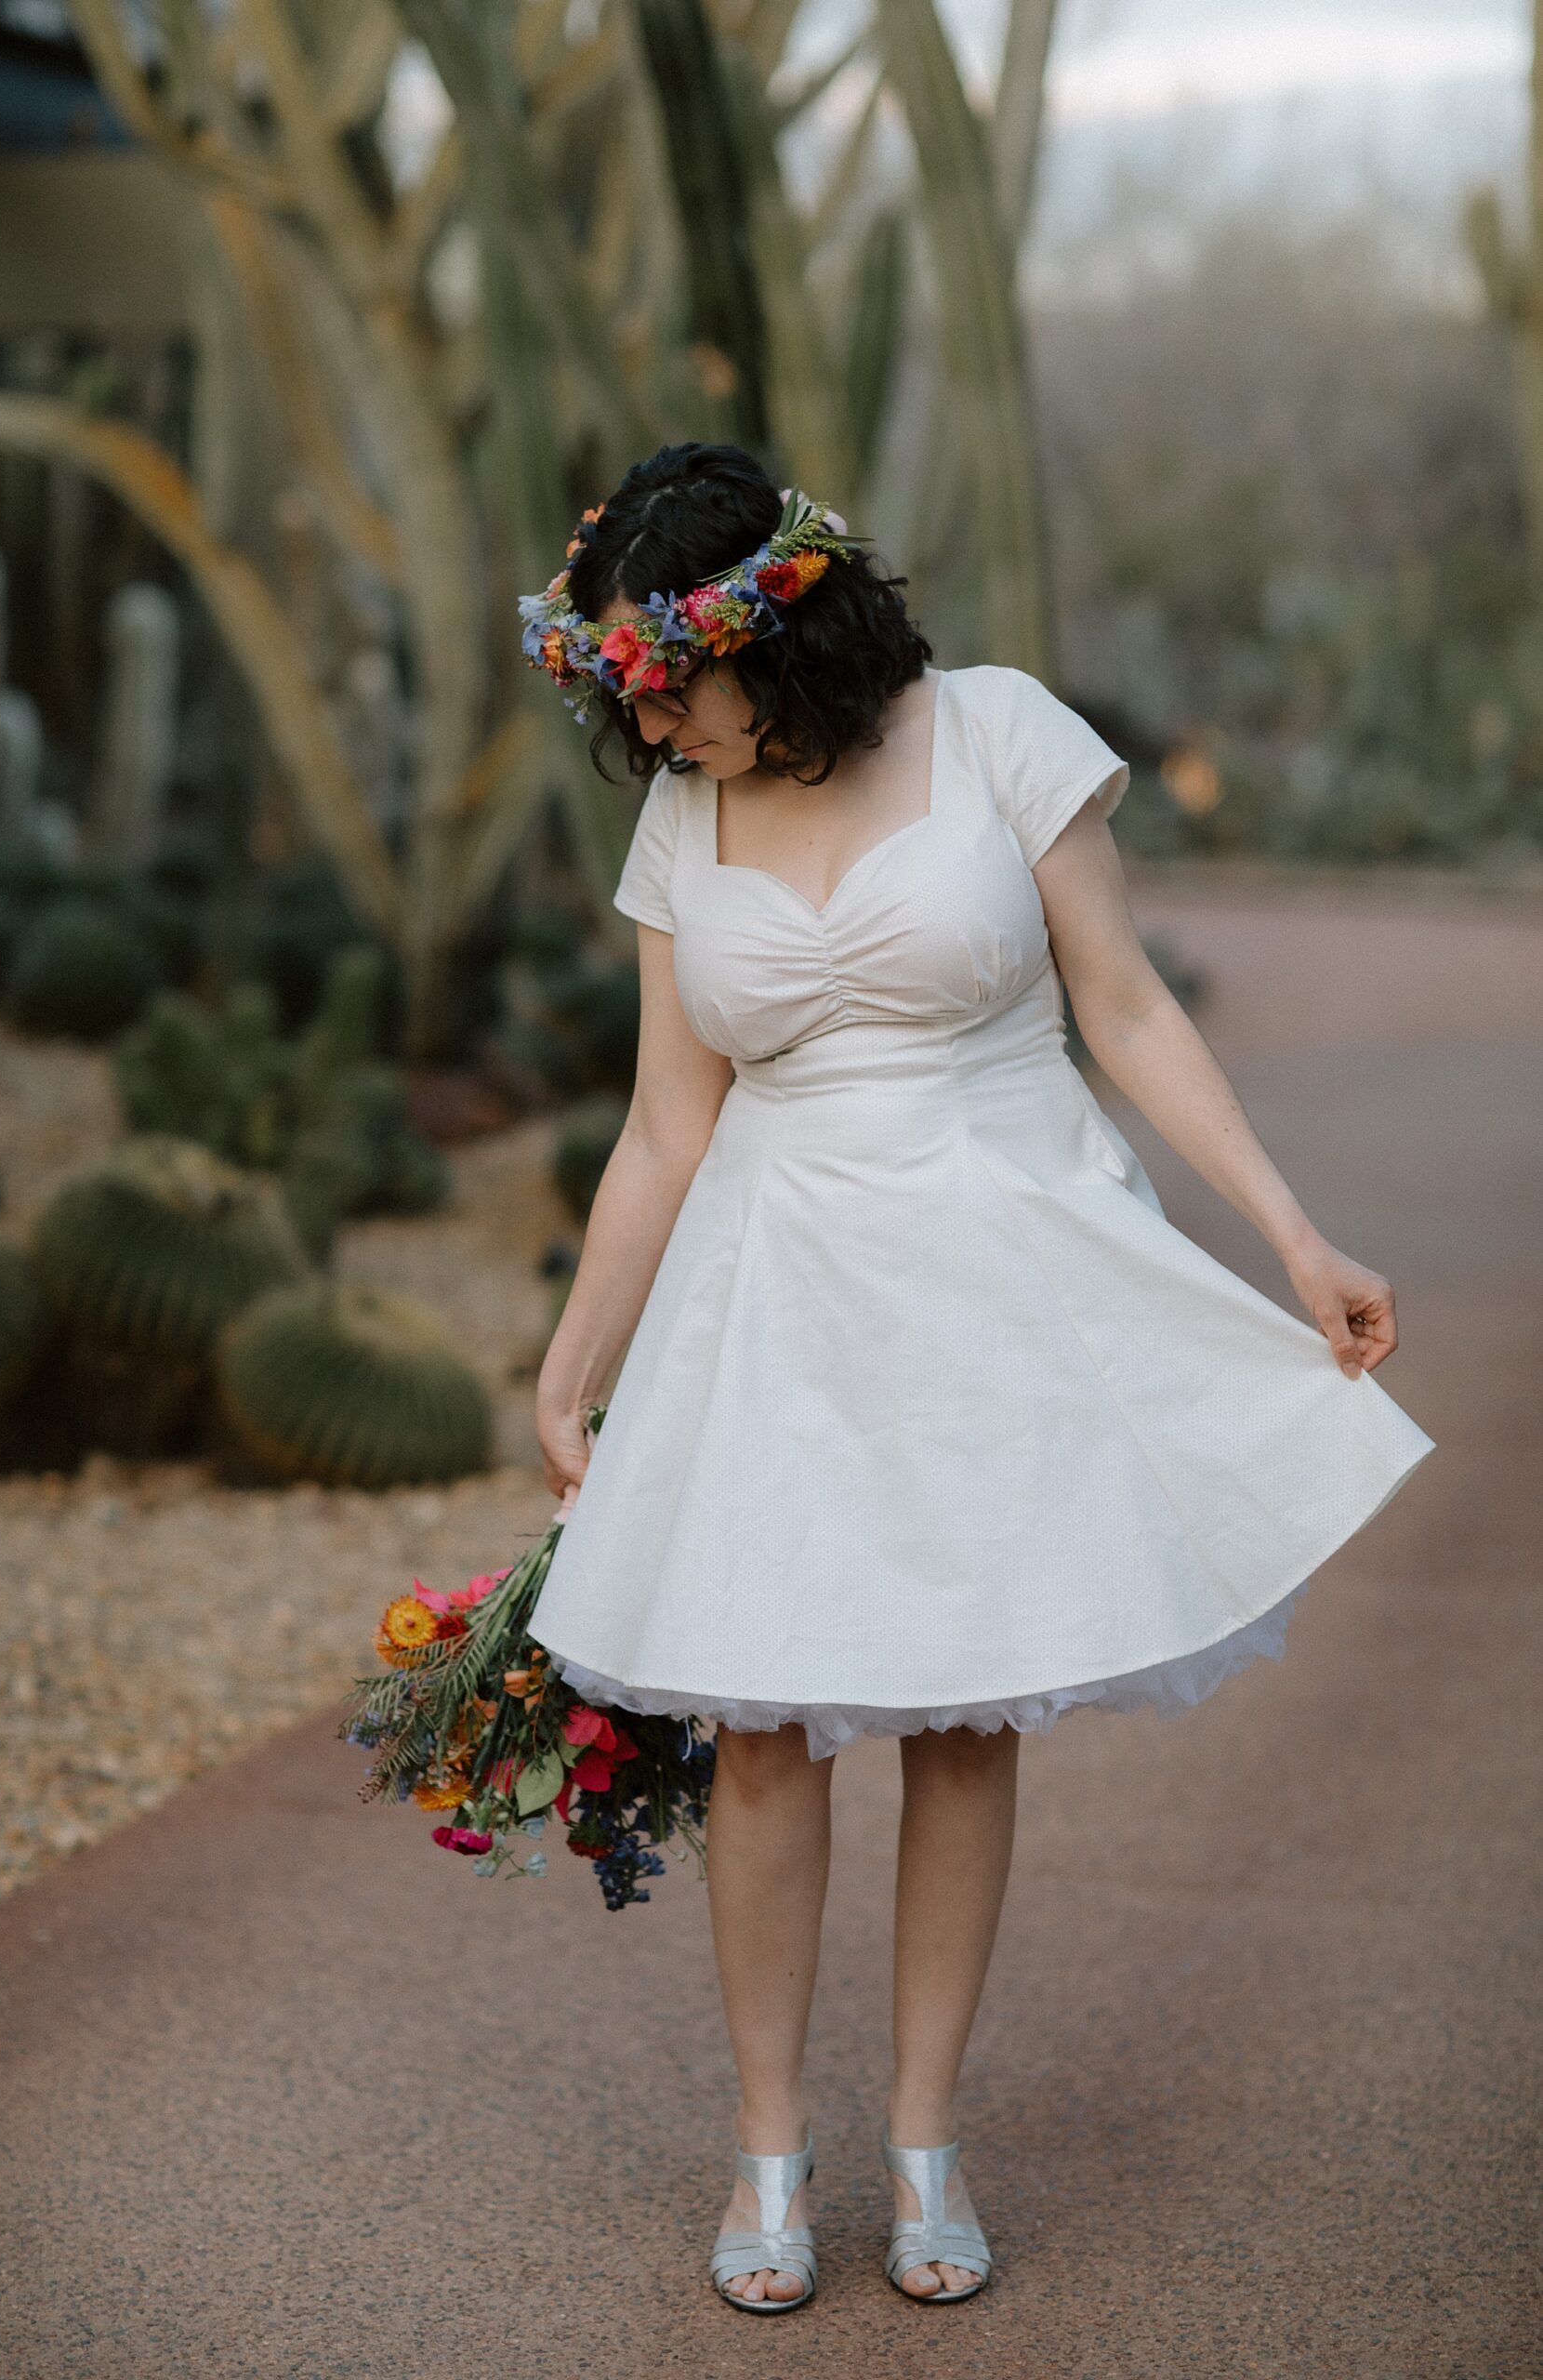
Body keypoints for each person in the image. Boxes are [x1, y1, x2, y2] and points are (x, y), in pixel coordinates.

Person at [523, 443, 1433, 2313]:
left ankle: (924, 2136)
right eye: (617, 682)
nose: (645, 714)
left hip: (995, 1259)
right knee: (762, 1721)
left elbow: (1122, 1004)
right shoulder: (678, 821)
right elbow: (659, 1124)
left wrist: (1288, 1234)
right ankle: (768, 2153)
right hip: (776, 1286)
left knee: (958, 1709)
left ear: (772, 631)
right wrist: (572, 1359)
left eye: (662, 676)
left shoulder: (1000, 731)